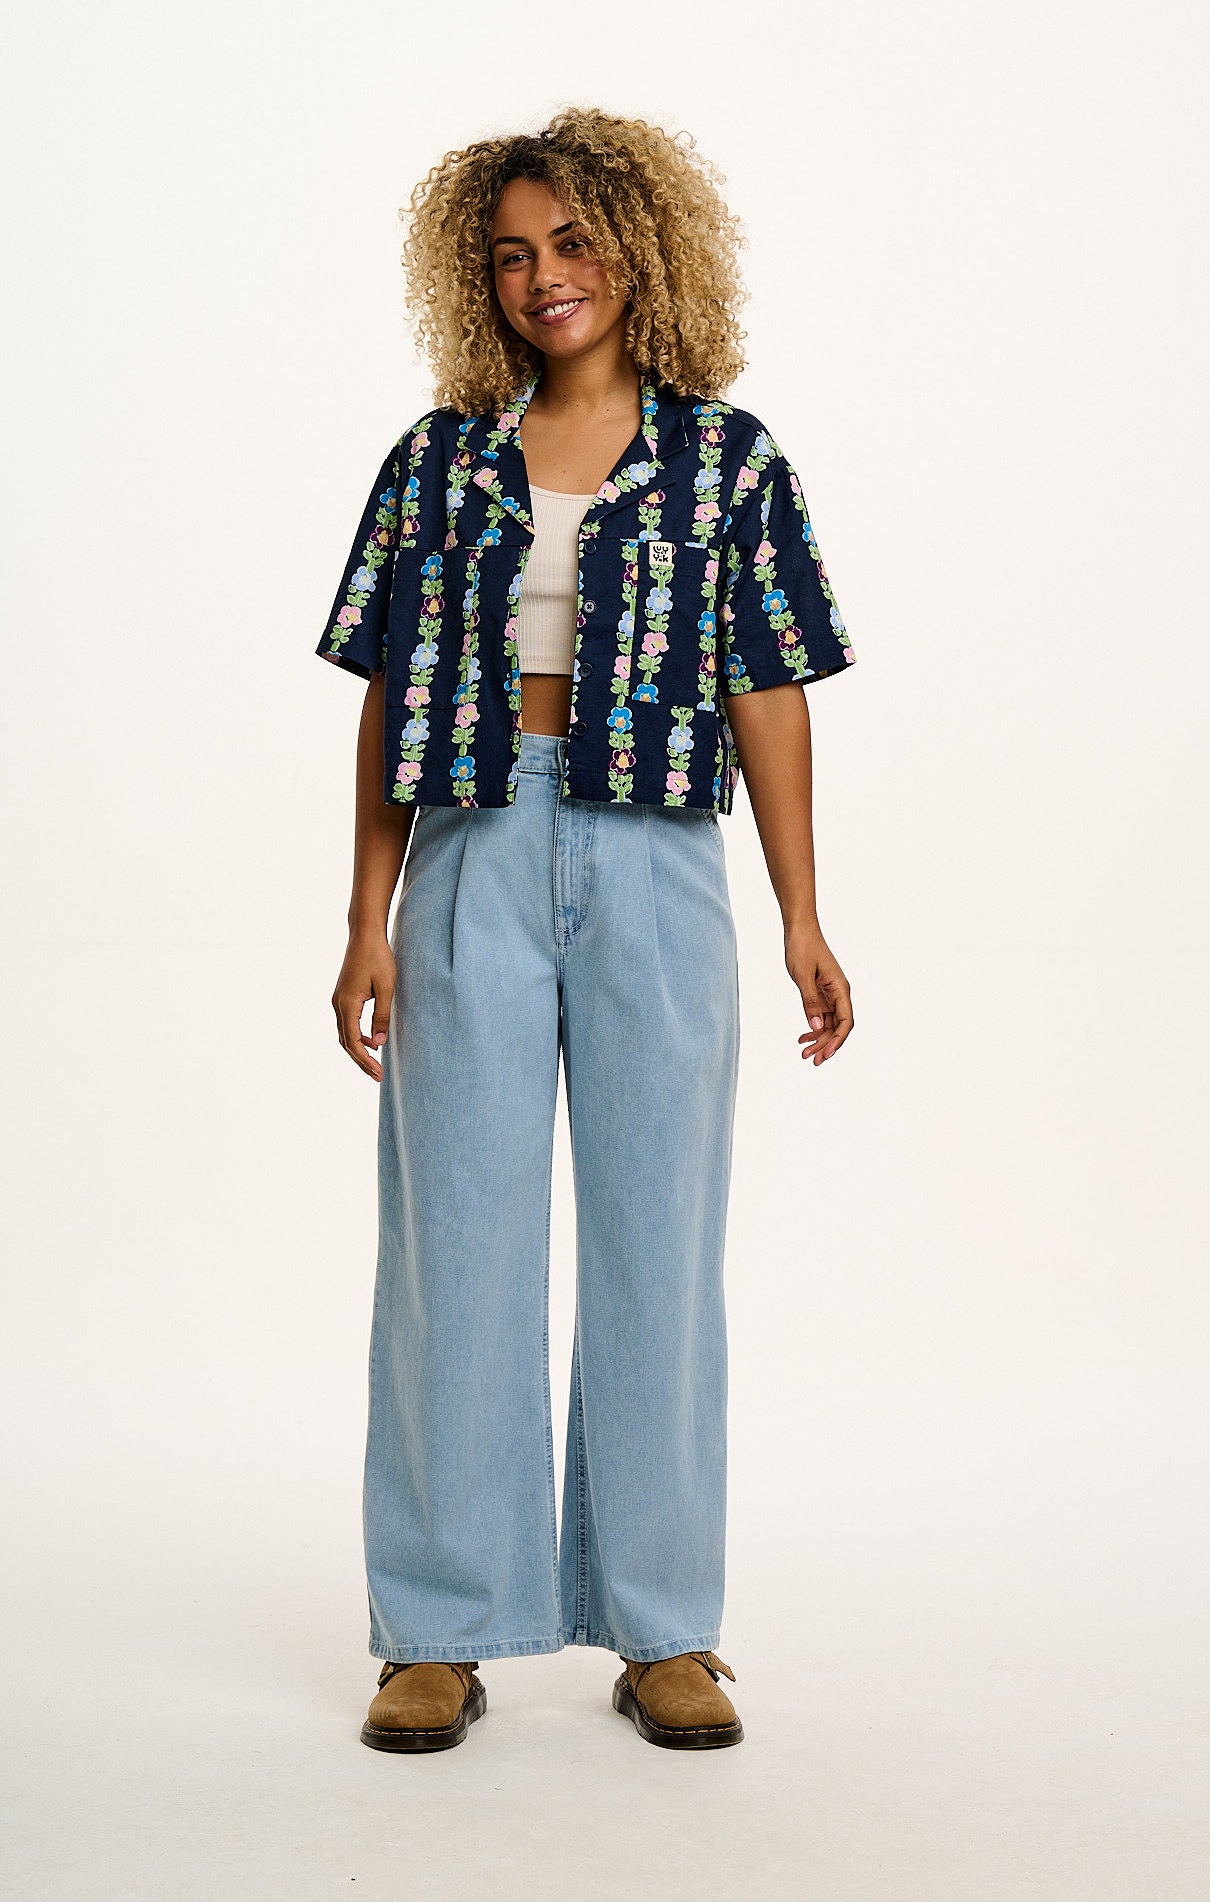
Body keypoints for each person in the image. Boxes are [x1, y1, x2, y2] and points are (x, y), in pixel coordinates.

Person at [315, 107, 858, 1755]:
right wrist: (364, 915)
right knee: (455, 1240)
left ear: (639, 249)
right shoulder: (437, 462)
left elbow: (769, 689)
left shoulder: (728, 461)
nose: (542, 276)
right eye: (508, 255)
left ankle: (663, 1625)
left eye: (570, 242)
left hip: (658, 859)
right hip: (471, 847)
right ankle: (438, 1626)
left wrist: (802, 910)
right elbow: (390, 693)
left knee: (657, 1240)